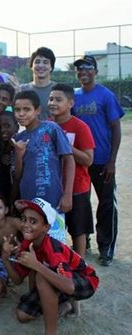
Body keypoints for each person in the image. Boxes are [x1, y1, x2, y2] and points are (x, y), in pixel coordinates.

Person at [1, 198, 99, 335]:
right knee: (22, 314)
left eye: (33, 221)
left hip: (84, 281)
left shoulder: (53, 248)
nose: (25, 225)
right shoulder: (26, 245)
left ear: (46, 228)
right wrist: (5, 257)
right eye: (24, 219)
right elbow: (17, 280)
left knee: (42, 276)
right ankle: (64, 304)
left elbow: (69, 286)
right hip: (59, 280)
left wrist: (36, 265)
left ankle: (51, 332)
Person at [72, 55, 124, 266]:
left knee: (105, 205)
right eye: (79, 68)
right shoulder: (74, 96)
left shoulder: (105, 95)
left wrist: (112, 161)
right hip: (81, 159)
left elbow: (116, 129)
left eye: (87, 67)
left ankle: (106, 246)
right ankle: (86, 240)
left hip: (102, 160)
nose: (83, 71)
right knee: (81, 203)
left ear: (95, 71)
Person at [12, 90, 75, 243]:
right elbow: (18, 175)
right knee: (33, 241)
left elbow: (69, 160)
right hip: (29, 198)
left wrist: (67, 194)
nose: (21, 114)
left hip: (53, 196)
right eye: (17, 110)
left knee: (55, 243)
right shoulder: (18, 139)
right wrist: (19, 155)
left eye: (26, 109)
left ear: (38, 110)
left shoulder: (51, 128)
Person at [49, 83, 95, 259]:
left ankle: (80, 266)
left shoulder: (80, 127)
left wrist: (68, 147)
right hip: (54, 187)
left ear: (70, 103)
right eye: (51, 99)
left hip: (77, 188)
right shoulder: (47, 125)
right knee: (55, 229)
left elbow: (88, 159)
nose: (53, 102)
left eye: (58, 99)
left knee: (78, 229)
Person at [20, 47, 56, 120]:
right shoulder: (21, 90)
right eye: (37, 62)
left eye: (45, 62)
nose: (40, 65)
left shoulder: (58, 90)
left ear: (51, 67)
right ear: (31, 66)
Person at [0, 112, 19, 207]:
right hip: (1, 197)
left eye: (7, 126)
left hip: (18, 197)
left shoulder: (21, 145)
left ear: (16, 127)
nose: (3, 130)